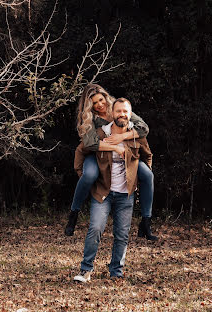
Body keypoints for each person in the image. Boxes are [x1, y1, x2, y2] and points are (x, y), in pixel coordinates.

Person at [73, 98, 153, 282]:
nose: (122, 115)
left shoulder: (136, 135)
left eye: (125, 112)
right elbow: (82, 149)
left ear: (130, 113)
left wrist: (140, 179)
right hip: (103, 193)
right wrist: (82, 174)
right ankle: (85, 270)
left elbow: (148, 156)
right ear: (112, 113)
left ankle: (116, 272)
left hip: (126, 194)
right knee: (95, 228)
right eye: (118, 112)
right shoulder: (101, 133)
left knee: (122, 235)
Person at [64, 84, 157, 240]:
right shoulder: (88, 118)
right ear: (89, 106)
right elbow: (90, 144)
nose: (100, 105)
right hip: (97, 155)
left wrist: (121, 137)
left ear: (105, 97)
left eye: (101, 100)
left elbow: (143, 128)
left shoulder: (117, 108)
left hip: (125, 155)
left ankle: (146, 222)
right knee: (89, 175)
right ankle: (74, 213)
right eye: (94, 103)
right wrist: (114, 147)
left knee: (147, 175)